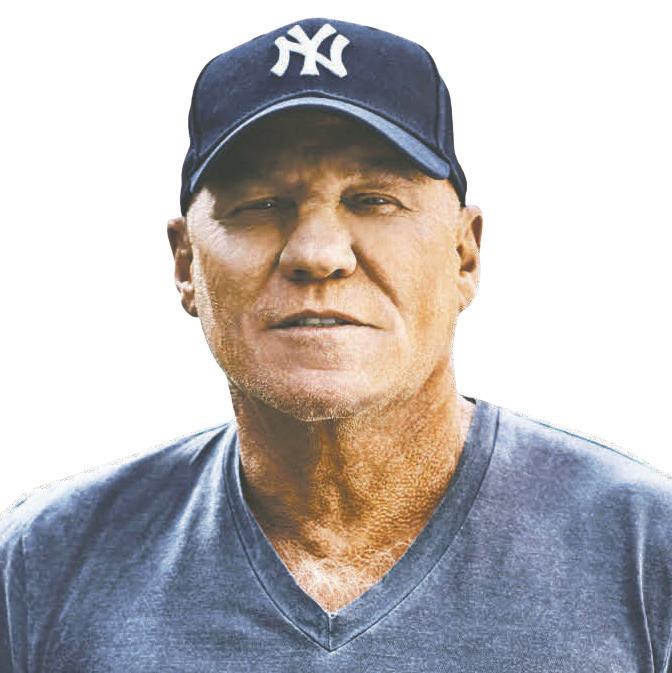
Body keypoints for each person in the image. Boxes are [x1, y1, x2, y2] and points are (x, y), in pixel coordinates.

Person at [1, 16, 671, 672]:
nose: (317, 254)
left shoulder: (645, 551)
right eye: (260, 204)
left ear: (464, 254)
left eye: (374, 199)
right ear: (185, 264)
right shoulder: (47, 562)